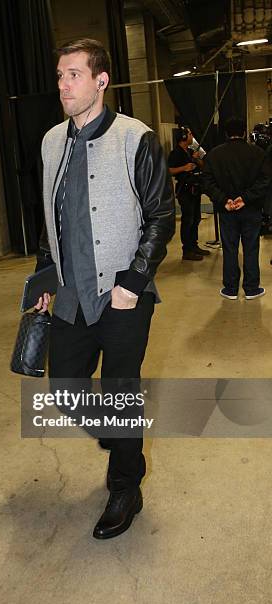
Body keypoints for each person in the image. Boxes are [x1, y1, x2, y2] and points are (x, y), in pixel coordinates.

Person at [35, 38, 175, 539]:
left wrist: (134, 282)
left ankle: (125, 487)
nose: (63, 85)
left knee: (120, 392)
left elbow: (161, 215)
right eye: (59, 75)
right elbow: (49, 220)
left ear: (101, 80)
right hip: (71, 295)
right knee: (65, 390)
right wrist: (45, 281)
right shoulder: (52, 142)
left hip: (122, 297)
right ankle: (119, 437)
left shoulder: (135, 138)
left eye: (74, 74)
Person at [202, 117, 270, 299]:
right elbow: (265, 180)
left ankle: (231, 289)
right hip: (251, 209)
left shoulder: (214, 155)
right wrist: (245, 198)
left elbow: (207, 182)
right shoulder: (257, 153)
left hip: (227, 210)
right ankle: (251, 288)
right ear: (243, 132)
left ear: (226, 133)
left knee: (230, 248)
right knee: (251, 247)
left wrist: (224, 200)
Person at [168, 126, 210, 261]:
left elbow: (203, 165)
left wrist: (197, 159)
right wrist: (184, 168)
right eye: (190, 134)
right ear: (184, 137)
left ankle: (194, 245)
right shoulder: (176, 153)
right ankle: (187, 249)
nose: (192, 136)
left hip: (195, 188)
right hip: (184, 190)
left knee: (196, 218)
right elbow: (169, 170)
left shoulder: (191, 151)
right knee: (188, 219)